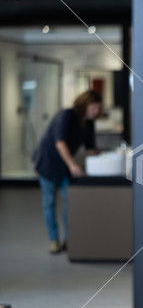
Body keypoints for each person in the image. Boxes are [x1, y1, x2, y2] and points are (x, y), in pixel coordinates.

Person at [32, 90, 102, 254]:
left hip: (65, 165)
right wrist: (72, 165)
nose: (96, 112)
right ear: (84, 104)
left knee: (70, 200)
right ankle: (54, 240)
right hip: (47, 163)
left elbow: (91, 149)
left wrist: (104, 160)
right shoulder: (66, 115)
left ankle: (70, 239)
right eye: (93, 107)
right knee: (49, 202)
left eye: (98, 108)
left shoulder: (89, 122)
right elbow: (60, 143)